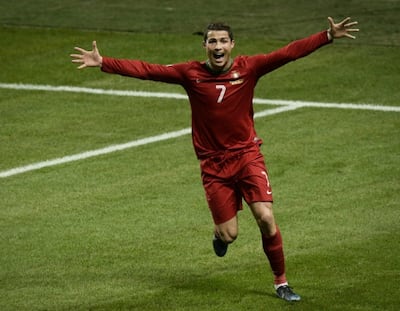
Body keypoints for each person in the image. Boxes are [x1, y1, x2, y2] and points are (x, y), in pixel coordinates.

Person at [71, 16, 358, 302]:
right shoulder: (190, 74)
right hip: (214, 167)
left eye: (223, 41)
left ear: (232, 45)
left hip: (247, 157)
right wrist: (104, 62)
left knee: (266, 218)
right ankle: (219, 237)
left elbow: (288, 53)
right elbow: (148, 70)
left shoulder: (250, 68)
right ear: (205, 46)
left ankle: (281, 283)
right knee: (229, 234)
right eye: (212, 41)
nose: (218, 46)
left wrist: (327, 36)